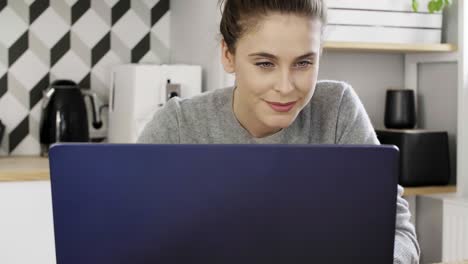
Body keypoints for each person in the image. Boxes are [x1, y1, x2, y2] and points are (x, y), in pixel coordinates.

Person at [138, 0, 420, 262]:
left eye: (303, 63)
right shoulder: (177, 126)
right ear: (228, 55)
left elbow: (398, 233)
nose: (285, 87)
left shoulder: (337, 110)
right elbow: (130, 239)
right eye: (265, 64)